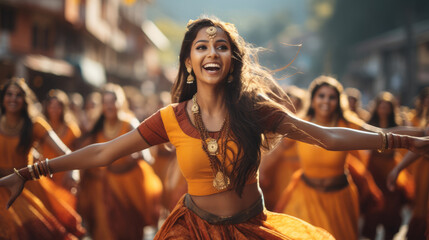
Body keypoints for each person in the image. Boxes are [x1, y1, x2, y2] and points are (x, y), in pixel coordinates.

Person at [1, 17, 429, 240]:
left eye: (221, 47)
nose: (211, 52)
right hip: (191, 229)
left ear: (231, 62)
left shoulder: (255, 110)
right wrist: (29, 172)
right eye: (201, 46)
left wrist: (403, 138)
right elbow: (102, 152)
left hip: (251, 228)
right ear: (189, 62)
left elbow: (329, 136)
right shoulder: (170, 118)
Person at [273, 76, 384, 240]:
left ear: (338, 102)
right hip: (304, 197)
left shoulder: (347, 124)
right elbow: (275, 150)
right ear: (312, 100)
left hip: (339, 200)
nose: (326, 101)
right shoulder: (300, 124)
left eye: (332, 97)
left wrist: (412, 139)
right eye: (321, 96)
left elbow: (380, 134)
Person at [75, 83, 162, 240]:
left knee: (129, 230)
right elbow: (85, 153)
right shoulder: (98, 127)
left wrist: (137, 156)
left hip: (130, 186)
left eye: (112, 101)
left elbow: (147, 154)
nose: (109, 106)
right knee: (105, 229)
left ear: (119, 103)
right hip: (105, 185)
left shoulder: (129, 123)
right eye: (106, 102)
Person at [0, 77, 85, 239]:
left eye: (18, 95)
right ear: (3, 98)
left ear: (25, 100)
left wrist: (73, 172)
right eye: (9, 94)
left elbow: (66, 152)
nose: (13, 99)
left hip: (26, 189)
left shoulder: (35, 124)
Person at [361, 91, 415, 240]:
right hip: (373, 167)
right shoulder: (369, 124)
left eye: (387, 106)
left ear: (391, 109)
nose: (383, 109)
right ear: (377, 107)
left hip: (391, 166)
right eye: (381, 106)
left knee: (392, 205)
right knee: (373, 204)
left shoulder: (397, 125)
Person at [38, 89, 81, 193]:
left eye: (58, 106)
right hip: (45, 178)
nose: (54, 110)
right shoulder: (41, 128)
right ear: (47, 108)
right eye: (51, 106)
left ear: (63, 108)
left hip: (64, 179)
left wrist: (73, 173)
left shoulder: (71, 129)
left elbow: (78, 154)